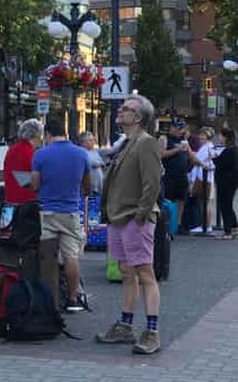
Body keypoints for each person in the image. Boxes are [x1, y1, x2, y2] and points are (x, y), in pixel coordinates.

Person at [96, 94, 163, 355]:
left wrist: (141, 214)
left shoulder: (146, 143)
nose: (120, 111)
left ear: (137, 117)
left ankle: (152, 331)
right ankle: (125, 324)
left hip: (134, 218)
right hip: (119, 218)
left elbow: (152, 183)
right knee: (126, 271)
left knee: (145, 273)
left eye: (126, 109)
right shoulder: (126, 143)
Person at [30, 118, 90, 312]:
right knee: (71, 256)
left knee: (48, 256)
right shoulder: (81, 154)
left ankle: (50, 300)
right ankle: (73, 299)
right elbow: (87, 184)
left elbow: (35, 184)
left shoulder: (40, 154)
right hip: (70, 211)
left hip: (47, 211)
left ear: (47, 135)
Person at [159, 119, 197, 235]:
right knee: (168, 199)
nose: (182, 131)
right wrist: (177, 149)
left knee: (181, 199)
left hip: (181, 174)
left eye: (183, 129)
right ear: (173, 128)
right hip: (169, 174)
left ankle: (178, 224)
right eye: (180, 129)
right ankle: (167, 225)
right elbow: (161, 154)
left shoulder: (183, 140)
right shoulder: (164, 139)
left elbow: (191, 156)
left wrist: (203, 162)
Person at [3, 118, 43, 204]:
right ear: (35, 135)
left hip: (10, 200)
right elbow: (35, 180)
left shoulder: (11, 150)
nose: (41, 139)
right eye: (40, 136)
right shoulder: (31, 153)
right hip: (27, 203)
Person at [189, 126, 217, 234]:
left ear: (208, 136)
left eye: (203, 135)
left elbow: (196, 161)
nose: (200, 137)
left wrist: (189, 151)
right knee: (205, 202)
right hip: (205, 177)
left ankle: (205, 225)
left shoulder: (207, 147)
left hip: (203, 178)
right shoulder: (209, 146)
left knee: (204, 202)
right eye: (200, 135)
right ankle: (206, 225)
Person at [214, 128, 238, 240]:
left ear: (225, 137)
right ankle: (234, 226)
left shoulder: (228, 151)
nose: (219, 138)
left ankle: (228, 231)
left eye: (220, 136)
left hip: (226, 181)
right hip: (232, 181)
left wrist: (214, 159)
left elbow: (221, 164)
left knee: (225, 205)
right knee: (228, 203)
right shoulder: (234, 149)